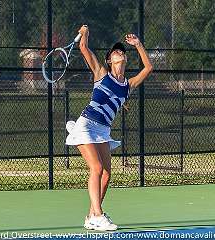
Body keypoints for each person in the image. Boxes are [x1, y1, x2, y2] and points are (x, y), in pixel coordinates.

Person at [65, 25, 153, 231]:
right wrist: (85, 34)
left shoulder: (127, 85)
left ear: (125, 59)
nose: (119, 53)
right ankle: (98, 214)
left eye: (121, 52)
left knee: (106, 174)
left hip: (103, 130)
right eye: (114, 52)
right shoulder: (101, 73)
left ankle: (90, 216)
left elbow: (148, 68)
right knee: (95, 169)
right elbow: (84, 49)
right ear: (109, 61)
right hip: (87, 125)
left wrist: (139, 45)